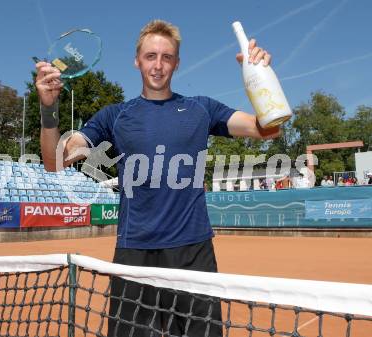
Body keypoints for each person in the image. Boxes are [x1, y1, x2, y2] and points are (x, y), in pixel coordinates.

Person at [35, 19, 279, 337]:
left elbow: (268, 128)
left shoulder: (202, 108)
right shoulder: (114, 115)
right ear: (137, 60)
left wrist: (262, 77)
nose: (158, 65)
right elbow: (55, 161)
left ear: (177, 62)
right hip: (133, 255)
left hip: (193, 254)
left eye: (167, 57)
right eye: (151, 56)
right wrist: (48, 110)